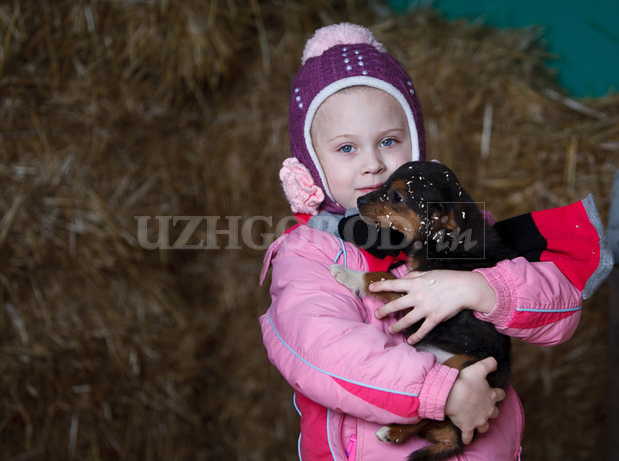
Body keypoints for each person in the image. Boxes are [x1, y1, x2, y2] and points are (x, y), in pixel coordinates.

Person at [259, 23, 612, 461]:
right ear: (312, 162)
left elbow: (560, 312)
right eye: (346, 149)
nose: (372, 164)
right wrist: (443, 391)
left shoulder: (459, 226)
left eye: (389, 141)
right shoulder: (307, 254)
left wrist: (483, 288)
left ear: (417, 147)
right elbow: (325, 352)